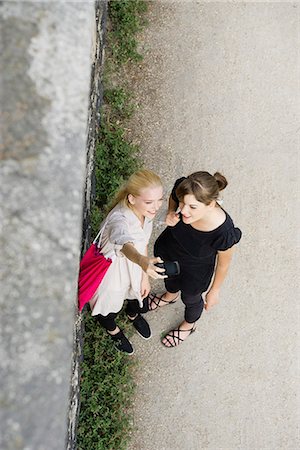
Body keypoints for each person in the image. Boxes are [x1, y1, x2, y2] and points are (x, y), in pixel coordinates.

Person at [146, 171, 242, 347]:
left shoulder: (224, 232)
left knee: (191, 299)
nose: (183, 210)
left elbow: (223, 264)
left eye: (192, 207)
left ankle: (188, 325)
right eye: (183, 203)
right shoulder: (184, 192)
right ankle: (170, 296)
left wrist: (215, 290)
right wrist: (169, 212)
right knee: (169, 278)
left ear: (211, 204)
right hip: (170, 250)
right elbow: (174, 196)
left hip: (195, 270)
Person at [89, 169, 166, 354]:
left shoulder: (145, 212)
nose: (156, 207)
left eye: (159, 200)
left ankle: (132, 315)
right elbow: (123, 242)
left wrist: (144, 275)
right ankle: (113, 330)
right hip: (113, 273)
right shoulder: (119, 219)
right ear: (132, 199)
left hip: (137, 266)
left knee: (138, 298)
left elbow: (144, 241)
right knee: (108, 309)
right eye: (149, 202)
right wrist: (141, 261)